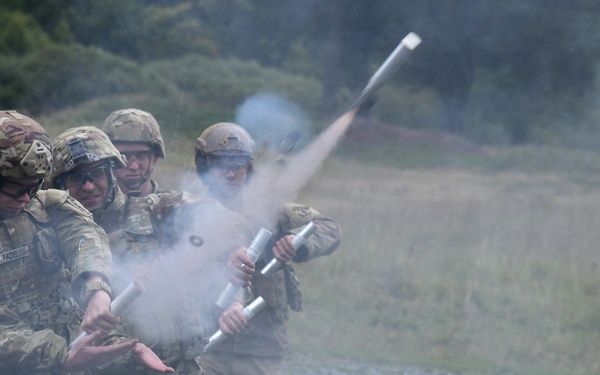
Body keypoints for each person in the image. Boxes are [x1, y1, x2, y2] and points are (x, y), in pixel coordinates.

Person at [50, 126, 256, 374]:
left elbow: (217, 217)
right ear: (60, 184)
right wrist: (130, 352)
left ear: (111, 174)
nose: (89, 186)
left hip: (180, 366)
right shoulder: (52, 239)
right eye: (76, 178)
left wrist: (234, 248)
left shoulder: (154, 209)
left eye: (96, 174)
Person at [0, 110, 172, 374]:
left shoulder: (46, 204)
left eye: (33, 187)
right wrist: (60, 356)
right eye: (14, 189)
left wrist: (97, 290)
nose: (25, 199)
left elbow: (85, 235)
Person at [194, 122, 342, 375]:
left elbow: (329, 228)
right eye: (222, 165)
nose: (231, 174)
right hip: (203, 345)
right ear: (205, 166)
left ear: (248, 167)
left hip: (260, 348)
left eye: (238, 165)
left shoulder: (269, 210)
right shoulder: (189, 212)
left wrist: (297, 242)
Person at [102, 108, 166, 196]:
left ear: (154, 159)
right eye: (123, 157)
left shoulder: (176, 206)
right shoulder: (90, 207)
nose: (134, 166)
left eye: (141, 156)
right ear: (109, 161)